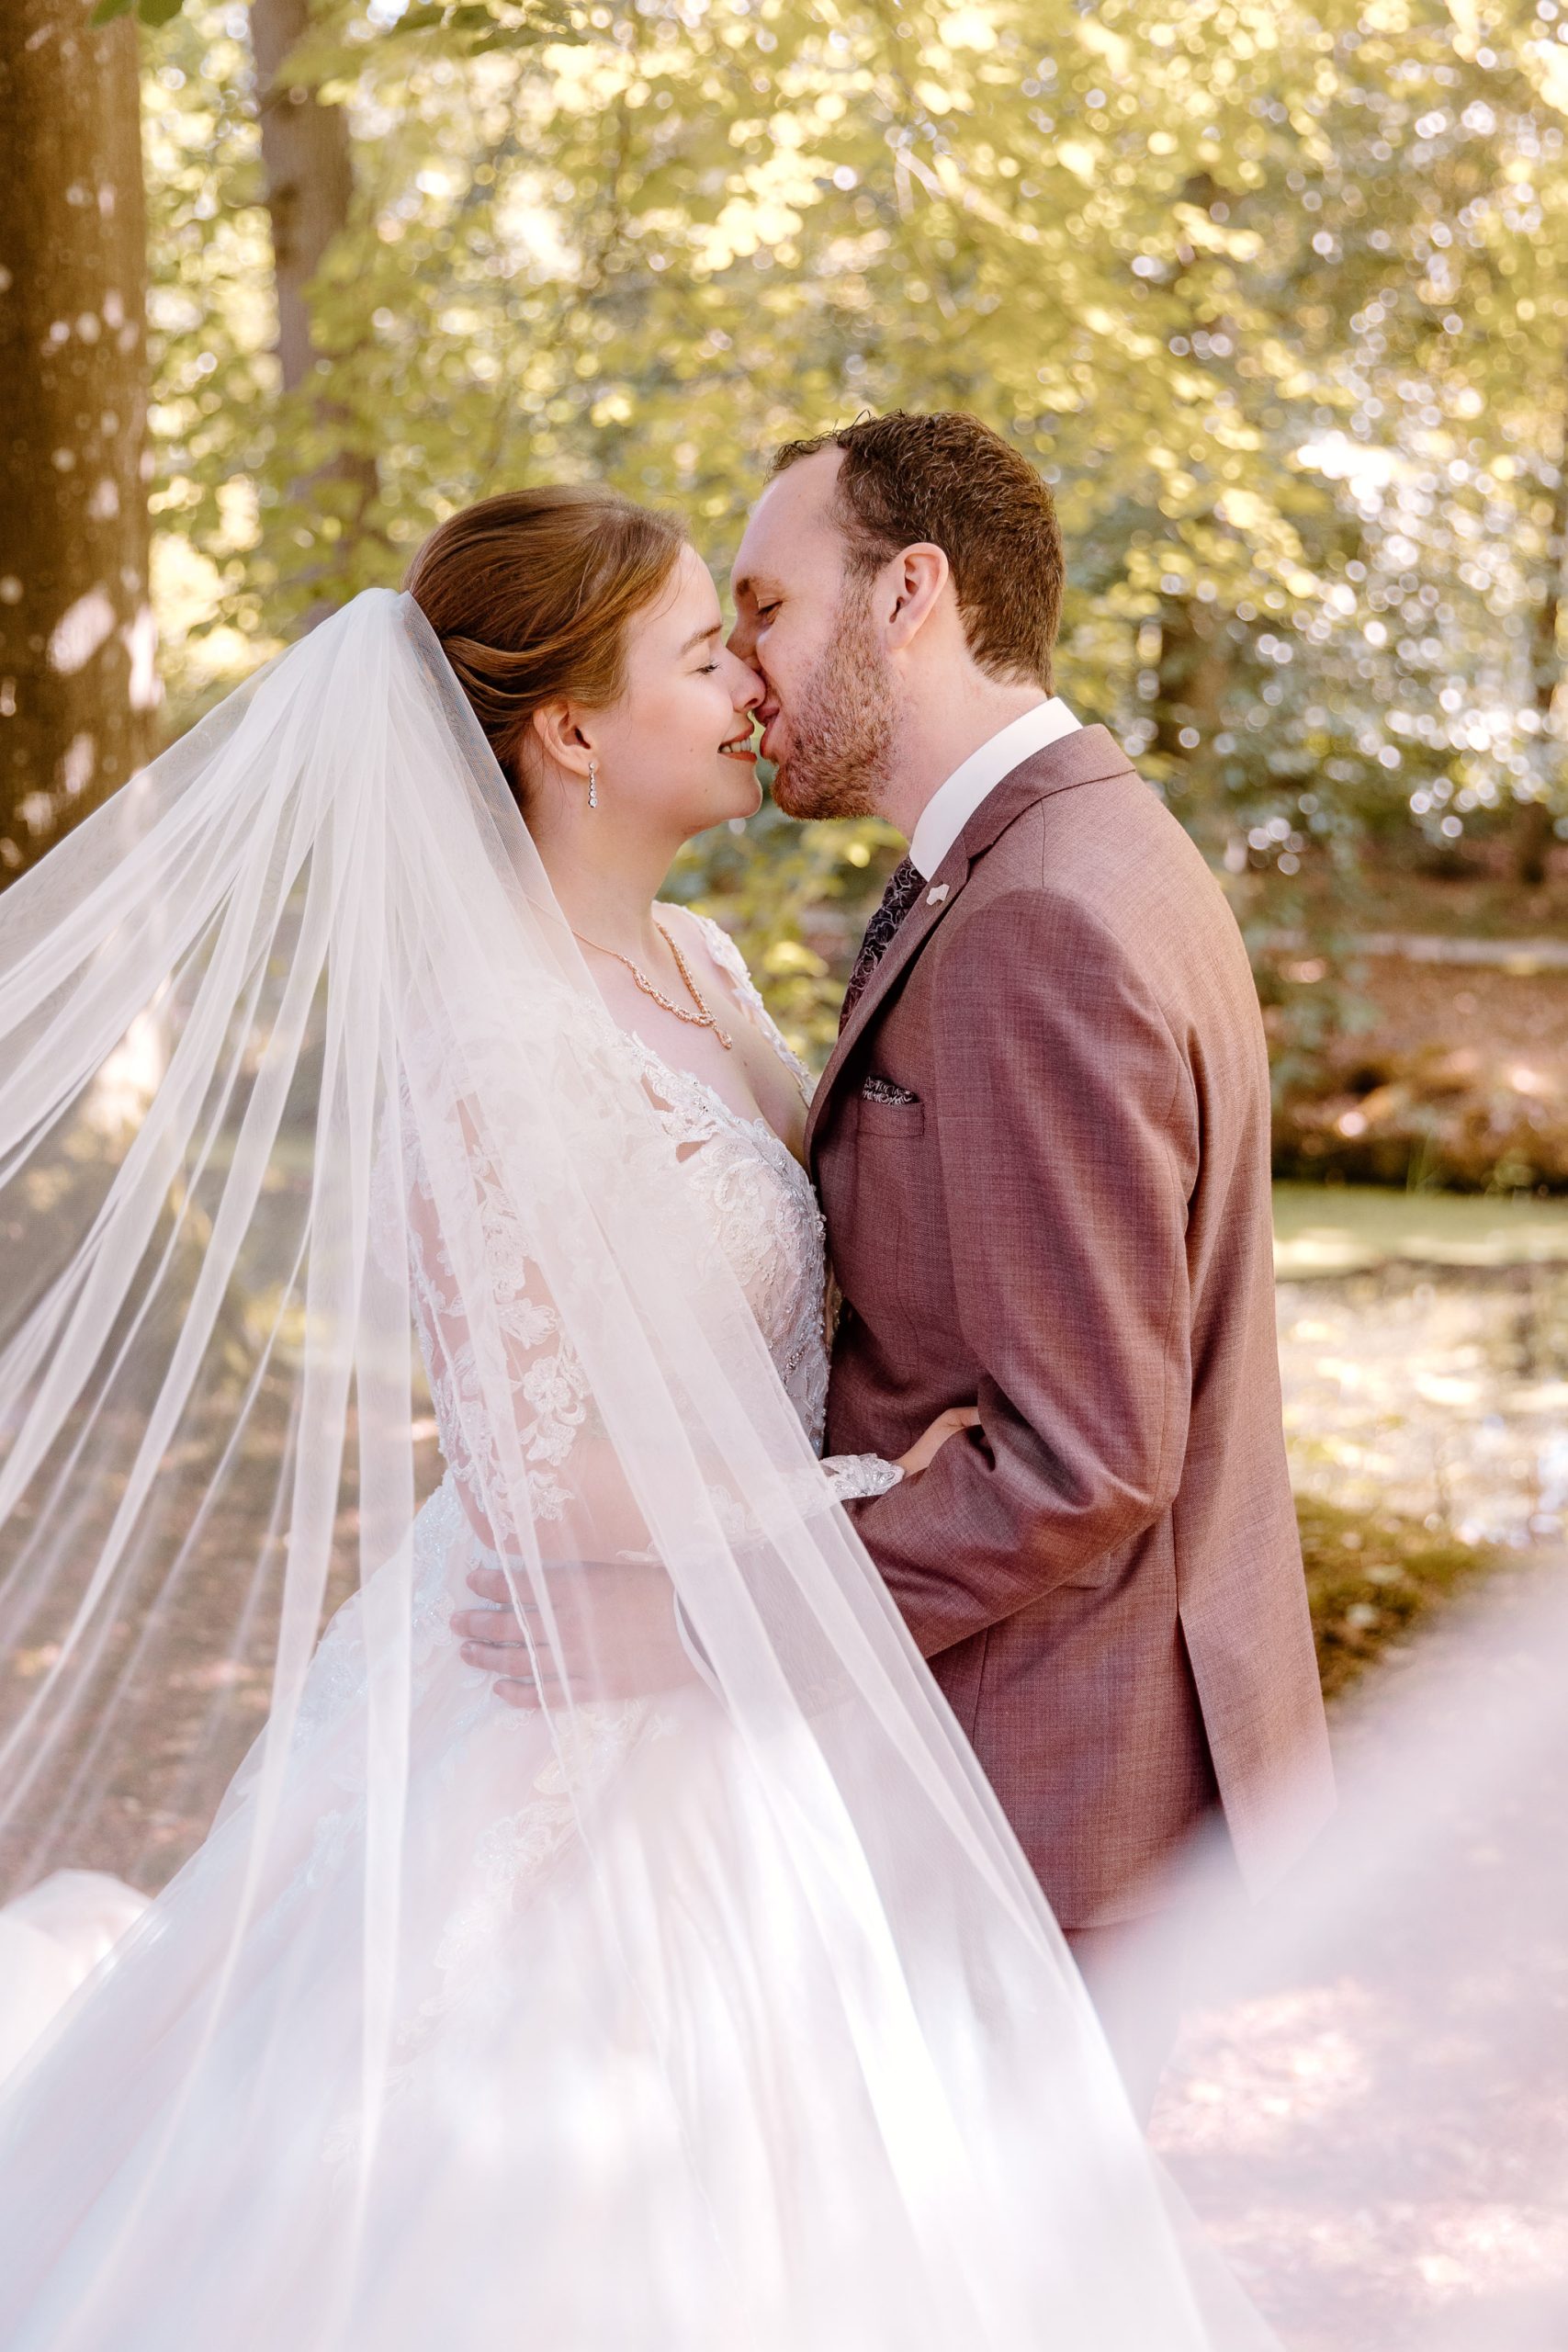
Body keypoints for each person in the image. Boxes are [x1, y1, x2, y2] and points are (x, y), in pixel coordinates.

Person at [0, 486, 1236, 2348]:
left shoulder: (709, 971)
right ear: (571, 727)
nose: (749, 681)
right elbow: (527, 1466)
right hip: (582, 1688)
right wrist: (839, 1486)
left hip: (755, 1671)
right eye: (700, 649)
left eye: (745, 630)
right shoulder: (487, 1036)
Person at [732, 411, 1336, 2111]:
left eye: (768, 607)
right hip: (1068, 1752)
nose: (745, 670)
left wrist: (753, 1612)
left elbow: (1082, 1455)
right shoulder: (1051, 858)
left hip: (1056, 1777)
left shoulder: (1046, 915)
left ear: (908, 591)